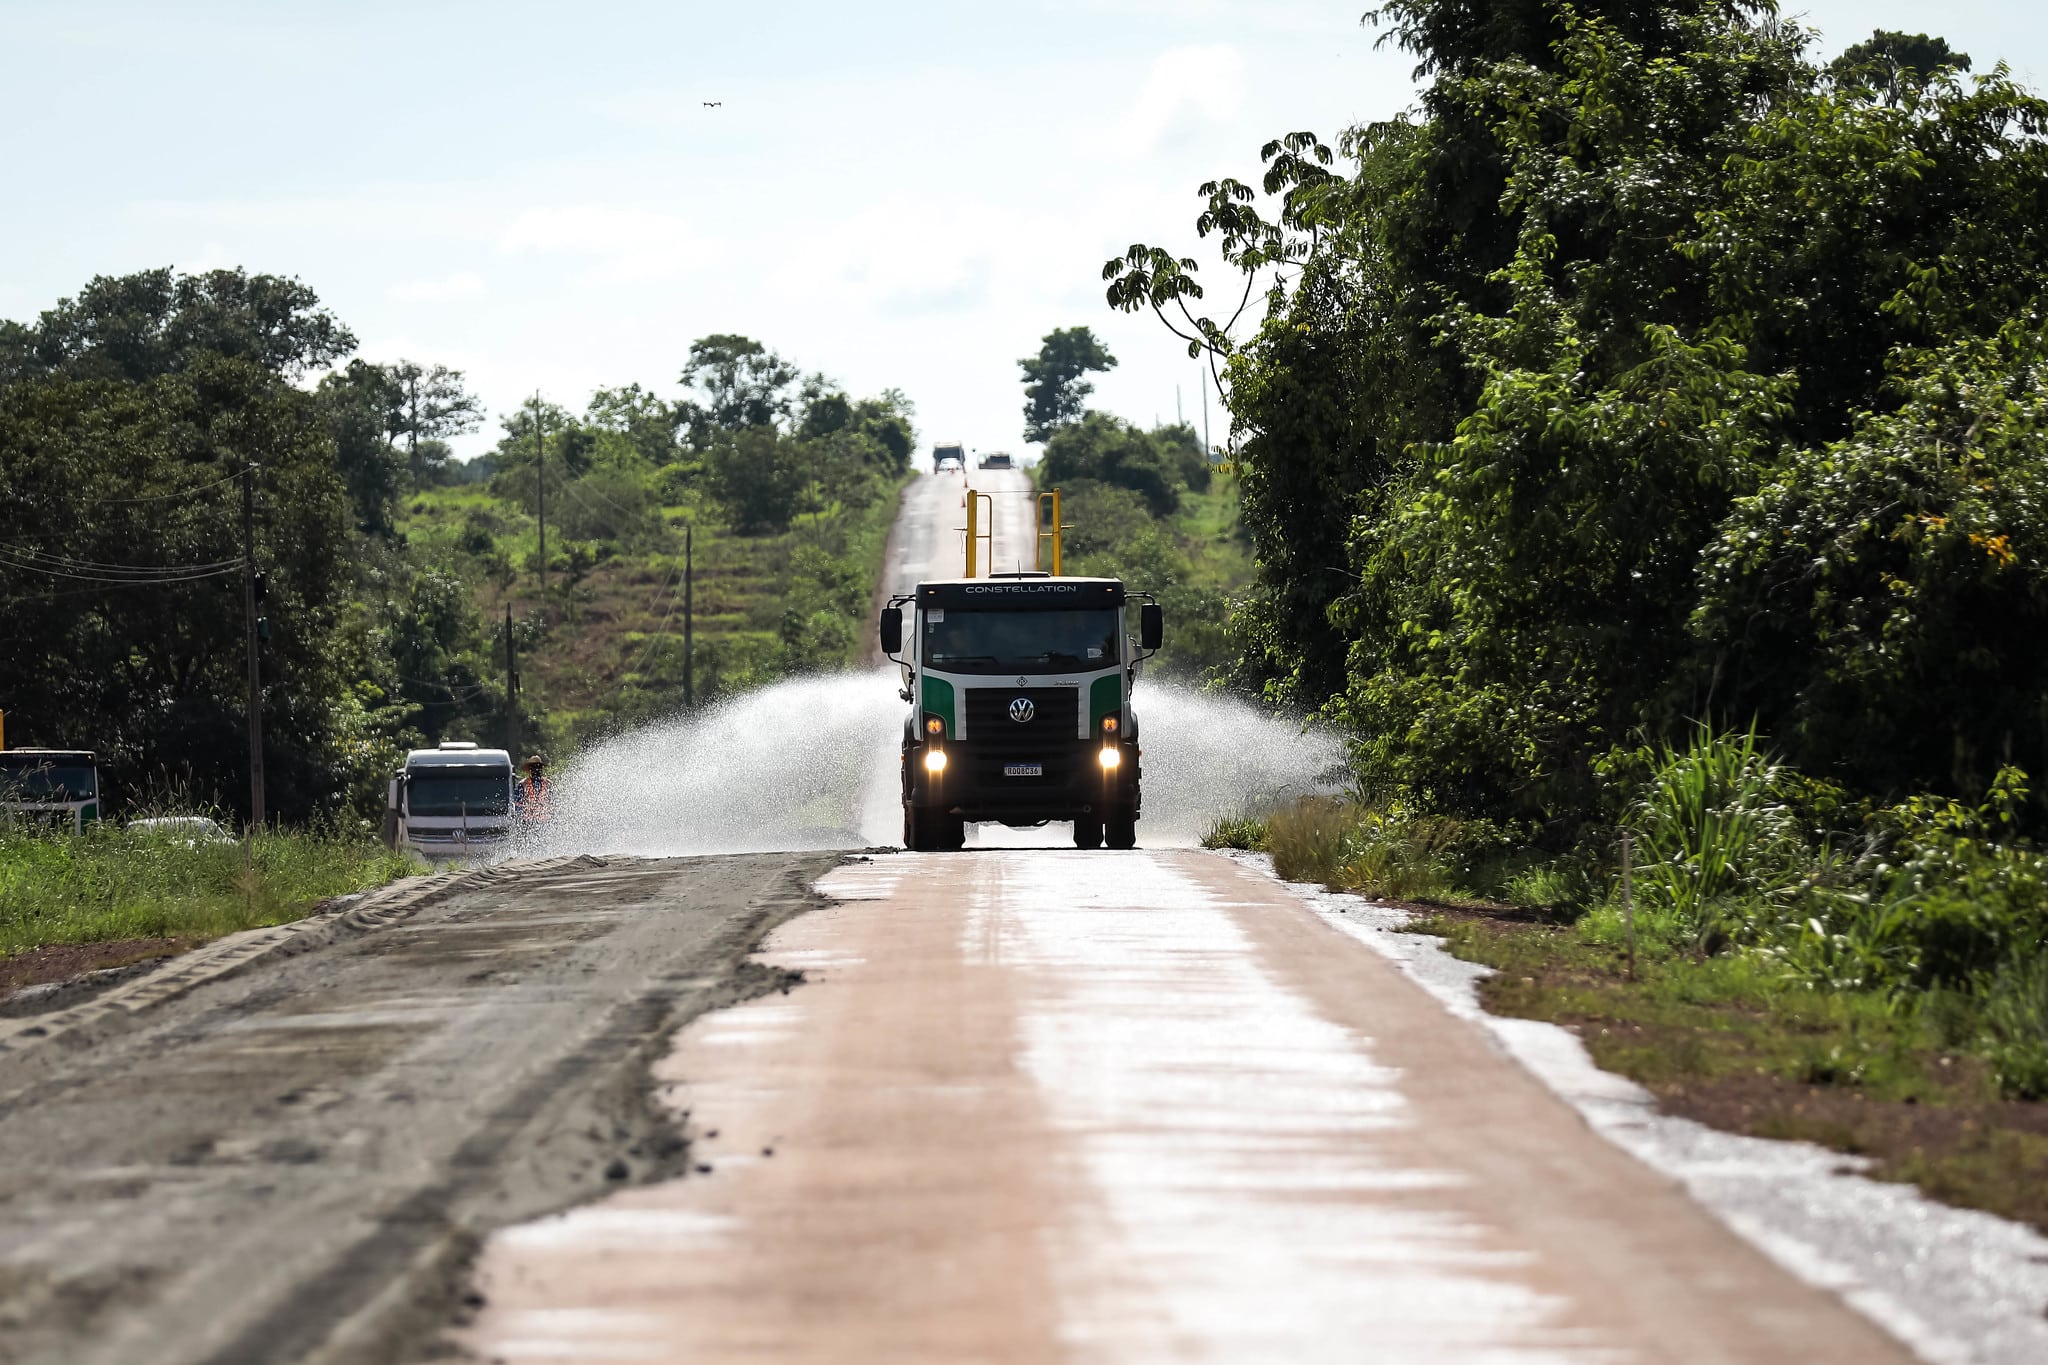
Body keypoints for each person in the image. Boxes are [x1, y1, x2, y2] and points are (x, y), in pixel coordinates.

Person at [516, 754, 552, 821]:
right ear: (530, 769)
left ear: (541, 768)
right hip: (528, 822)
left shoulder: (548, 784)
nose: (536, 769)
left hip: (545, 822)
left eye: (538, 766)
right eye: (534, 767)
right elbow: (517, 805)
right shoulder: (522, 784)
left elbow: (552, 803)